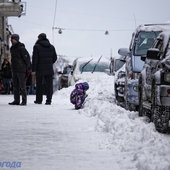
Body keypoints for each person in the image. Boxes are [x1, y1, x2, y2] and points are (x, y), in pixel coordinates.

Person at [32, 33, 57, 105]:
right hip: (49, 68)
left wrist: (33, 69)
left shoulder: (36, 46)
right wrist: (49, 63)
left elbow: (35, 59)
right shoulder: (51, 47)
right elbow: (55, 58)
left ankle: (39, 100)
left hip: (39, 69)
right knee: (49, 85)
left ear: (39, 38)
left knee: (39, 85)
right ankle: (49, 100)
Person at [9, 34, 31, 105]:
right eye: (11, 39)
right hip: (14, 69)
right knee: (15, 86)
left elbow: (27, 58)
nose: (11, 40)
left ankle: (24, 101)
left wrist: (28, 68)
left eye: (12, 39)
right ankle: (16, 100)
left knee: (22, 85)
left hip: (21, 69)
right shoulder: (12, 48)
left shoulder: (21, 48)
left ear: (16, 39)